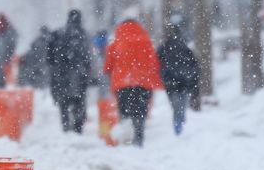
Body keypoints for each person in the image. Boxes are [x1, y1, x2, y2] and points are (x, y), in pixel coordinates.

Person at [103, 18, 163, 147]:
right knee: (140, 113)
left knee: (124, 112)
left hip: (122, 84)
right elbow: (154, 64)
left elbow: (108, 66)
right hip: (142, 83)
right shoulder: (146, 42)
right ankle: (138, 139)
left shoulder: (116, 43)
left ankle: (126, 140)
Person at [46, 10, 94, 133]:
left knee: (64, 102)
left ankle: (66, 126)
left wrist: (54, 68)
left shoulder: (57, 33)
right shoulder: (84, 34)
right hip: (80, 74)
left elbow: (49, 56)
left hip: (62, 74)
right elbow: (89, 56)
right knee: (79, 101)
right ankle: (78, 128)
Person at [157, 23, 201, 135]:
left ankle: (178, 124)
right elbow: (194, 66)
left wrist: (162, 77)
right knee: (182, 102)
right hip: (184, 80)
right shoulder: (185, 47)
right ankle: (180, 121)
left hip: (170, 81)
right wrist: (194, 84)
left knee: (175, 103)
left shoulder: (164, 47)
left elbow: (156, 64)